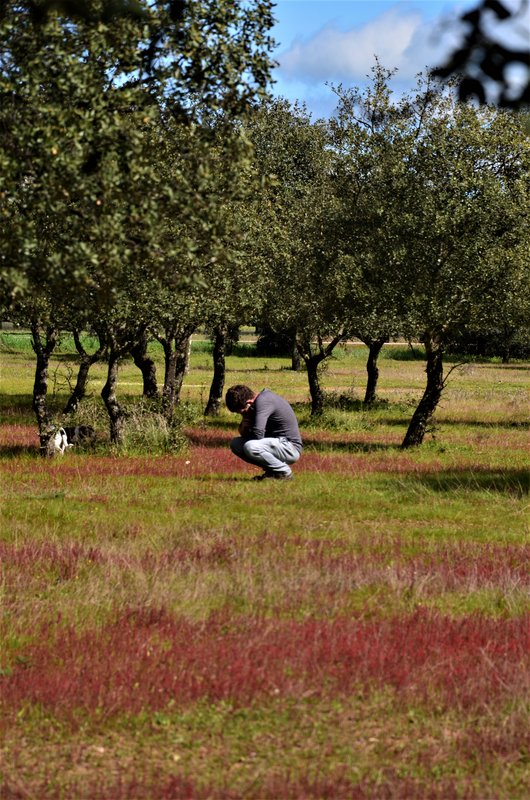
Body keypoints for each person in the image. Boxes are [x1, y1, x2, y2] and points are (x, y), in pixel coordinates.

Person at [225, 384, 303, 481]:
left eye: (243, 412)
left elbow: (258, 435)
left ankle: (284, 472)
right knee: (236, 444)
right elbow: (247, 434)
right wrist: (244, 425)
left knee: (250, 446)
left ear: (249, 402)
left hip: (290, 448)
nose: (243, 415)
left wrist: (248, 425)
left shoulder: (263, 401)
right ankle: (273, 472)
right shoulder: (255, 405)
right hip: (277, 444)